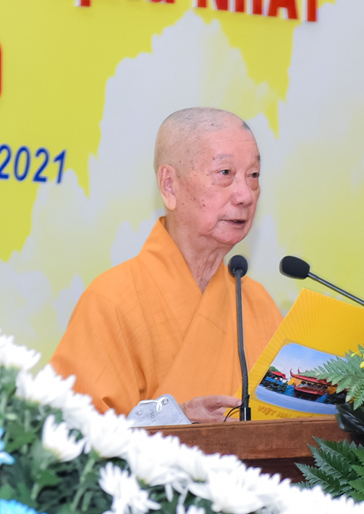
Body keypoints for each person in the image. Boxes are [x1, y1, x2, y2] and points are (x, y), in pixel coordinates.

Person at [50, 108, 282, 421]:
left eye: (253, 176)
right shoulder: (110, 301)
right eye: (225, 173)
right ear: (169, 185)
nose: (245, 195)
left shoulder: (257, 305)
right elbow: (73, 432)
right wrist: (174, 419)